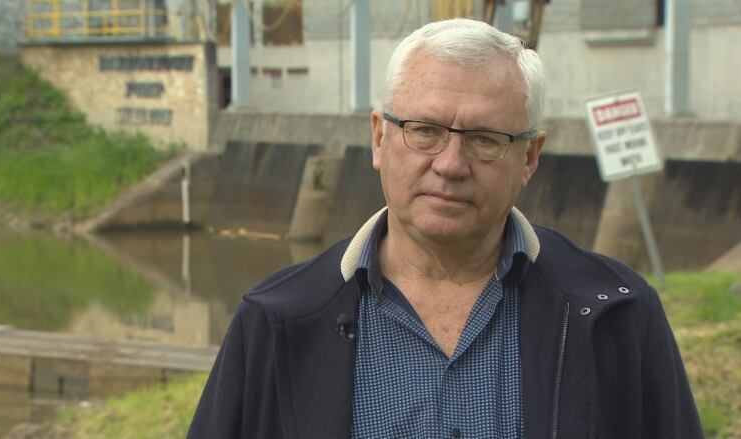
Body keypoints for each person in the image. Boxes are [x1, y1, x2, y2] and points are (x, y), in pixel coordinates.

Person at [188, 18, 703, 439]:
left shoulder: (616, 315)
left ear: (530, 158)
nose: (451, 164)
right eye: (425, 131)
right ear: (378, 139)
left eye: (484, 139)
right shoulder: (276, 322)